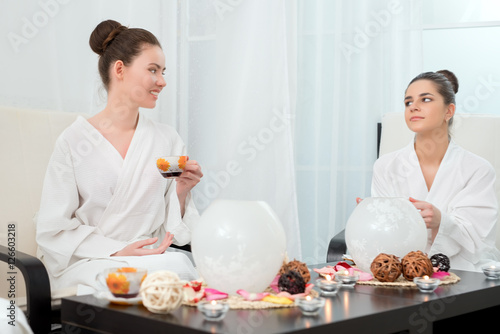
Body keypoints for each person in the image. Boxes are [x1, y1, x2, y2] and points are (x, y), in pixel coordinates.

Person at [36, 20, 203, 293]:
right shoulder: (73, 141)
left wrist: (182, 191)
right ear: (119, 69)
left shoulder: (167, 139)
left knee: (181, 267)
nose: (162, 81)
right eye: (153, 70)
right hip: (91, 261)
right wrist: (117, 250)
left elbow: (177, 231)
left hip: (151, 260)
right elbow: (53, 230)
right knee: (118, 282)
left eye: (163, 72)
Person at [370, 70, 500, 271]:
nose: (413, 107)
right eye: (408, 102)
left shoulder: (478, 170)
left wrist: (441, 222)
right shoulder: (386, 167)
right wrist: (369, 215)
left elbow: (478, 240)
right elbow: (383, 233)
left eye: (426, 99)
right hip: (401, 269)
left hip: (462, 270)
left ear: (449, 111)